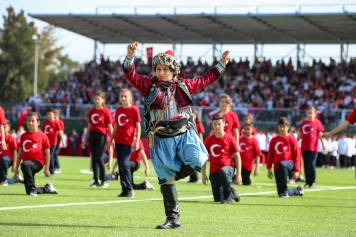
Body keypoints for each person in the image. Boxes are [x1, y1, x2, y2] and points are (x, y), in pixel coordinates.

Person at [122, 41, 230, 229]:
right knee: (166, 178)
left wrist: (222, 63)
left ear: (174, 70)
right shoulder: (149, 85)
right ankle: (173, 219)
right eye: (158, 68)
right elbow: (130, 74)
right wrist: (130, 56)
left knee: (199, 159)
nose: (161, 72)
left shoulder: (185, 85)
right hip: (161, 140)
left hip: (184, 134)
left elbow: (206, 79)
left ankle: (173, 176)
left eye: (165, 69)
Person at [13, 112, 58, 196]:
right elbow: (20, 153)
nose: (30, 123)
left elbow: (48, 153)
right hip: (27, 165)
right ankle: (47, 188)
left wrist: (47, 169)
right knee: (29, 190)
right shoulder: (23, 136)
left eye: (33, 121)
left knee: (25, 165)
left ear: (38, 123)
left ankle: (33, 189)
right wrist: (16, 168)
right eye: (28, 121)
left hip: (38, 162)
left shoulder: (43, 136)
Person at [108, 88, 141, 198]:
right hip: (118, 141)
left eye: (125, 96)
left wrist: (137, 141)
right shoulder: (118, 110)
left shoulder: (134, 110)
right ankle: (124, 189)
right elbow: (116, 127)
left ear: (130, 98)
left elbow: (138, 126)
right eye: (121, 96)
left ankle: (130, 188)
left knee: (125, 164)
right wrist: (111, 140)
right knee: (121, 165)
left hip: (128, 142)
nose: (123, 98)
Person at [202, 113, 241, 204]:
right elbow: (204, 158)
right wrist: (203, 174)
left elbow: (237, 157)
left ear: (224, 124)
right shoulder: (209, 140)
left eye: (219, 124)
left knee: (223, 171)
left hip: (228, 169)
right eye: (215, 124)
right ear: (212, 125)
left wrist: (239, 174)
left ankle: (228, 197)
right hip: (214, 172)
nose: (217, 126)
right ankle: (232, 191)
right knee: (217, 199)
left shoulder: (230, 139)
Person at [81, 90, 113, 187]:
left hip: (101, 136)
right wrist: (85, 140)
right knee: (94, 158)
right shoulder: (92, 111)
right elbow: (89, 127)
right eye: (95, 99)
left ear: (103, 100)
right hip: (93, 135)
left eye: (98, 99)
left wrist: (112, 140)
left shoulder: (106, 111)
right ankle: (95, 180)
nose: (96, 101)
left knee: (99, 157)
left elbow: (110, 127)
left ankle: (104, 180)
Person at [267, 117, 304, 198]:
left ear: (288, 127)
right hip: (277, 166)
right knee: (280, 192)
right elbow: (270, 155)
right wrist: (269, 169)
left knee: (282, 164)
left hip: (289, 164)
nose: (282, 128)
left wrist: (297, 170)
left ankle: (285, 191)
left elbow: (297, 155)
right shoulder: (274, 140)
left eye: (284, 126)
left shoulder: (292, 139)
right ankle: (297, 190)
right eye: (280, 126)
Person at [297, 106, 326, 188]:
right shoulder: (304, 123)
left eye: (311, 113)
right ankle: (308, 182)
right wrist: (295, 142)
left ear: (315, 114)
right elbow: (300, 134)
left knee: (311, 164)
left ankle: (313, 181)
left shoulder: (317, 123)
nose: (309, 115)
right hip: (304, 147)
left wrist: (323, 144)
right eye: (308, 113)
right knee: (306, 165)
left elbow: (320, 135)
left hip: (313, 148)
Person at [0, 120, 23, 185]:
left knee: (4, 159)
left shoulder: (11, 138)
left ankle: (4, 180)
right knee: (0, 179)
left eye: (4, 127)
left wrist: (14, 165)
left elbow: (15, 152)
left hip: (7, 159)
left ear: (8, 128)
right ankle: (15, 179)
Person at [42, 109, 64, 176]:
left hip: (53, 142)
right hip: (45, 142)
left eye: (50, 114)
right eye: (47, 114)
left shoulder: (56, 123)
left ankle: (52, 171)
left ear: (53, 115)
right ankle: (47, 170)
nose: (49, 116)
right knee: (46, 156)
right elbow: (43, 132)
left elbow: (60, 132)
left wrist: (62, 141)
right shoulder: (46, 122)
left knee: (51, 156)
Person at [188, 109, 205, 183]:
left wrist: (200, 145)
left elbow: (200, 136)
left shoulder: (198, 125)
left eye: (193, 115)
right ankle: (192, 178)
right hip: (189, 144)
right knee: (189, 162)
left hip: (196, 145)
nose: (192, 116)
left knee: (194, 161)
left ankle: (195, 178)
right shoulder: (188, 124)